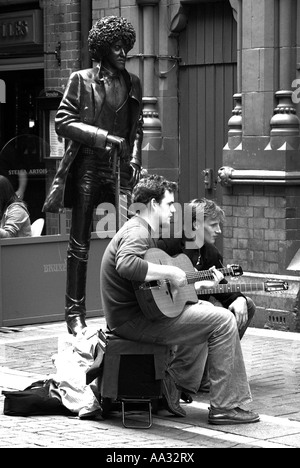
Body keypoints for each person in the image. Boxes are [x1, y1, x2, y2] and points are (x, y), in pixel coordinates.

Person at [100, 174, 259, 425]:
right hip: (134, 321)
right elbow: (126, 264)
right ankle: (225, 407)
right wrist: (172, 272)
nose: (174, 211)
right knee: (223, 320)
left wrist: (192, 284)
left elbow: (149, 285)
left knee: (205, 308)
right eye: (169, 205)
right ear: (153, 205)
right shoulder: (137, 231)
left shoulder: (142, 230)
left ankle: (180, 384)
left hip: (139, 314)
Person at [42, 16, 143, 336]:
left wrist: (136, 157)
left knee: (129, 241)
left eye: (126, 46)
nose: (123, 52)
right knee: (81, 243)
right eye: (117, 46)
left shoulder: (133, 82)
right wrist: (103, 137)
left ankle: (125, 311)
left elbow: (137, 127)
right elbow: (63, 122)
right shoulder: (81, 79)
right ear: (102, 48)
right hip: (87, 165)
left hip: (120, 169)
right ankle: (74, 313)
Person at [157, 198, 256, 395]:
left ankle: (208, 373)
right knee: (206, 310)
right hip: (168, 311)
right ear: (195, 224)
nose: (218, 230)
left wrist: (239, 298)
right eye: (213, 225)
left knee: (248, 305)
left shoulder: (210, 252)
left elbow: (221, 285)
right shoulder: (170, 244)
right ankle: (180, 381)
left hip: (192, 309)